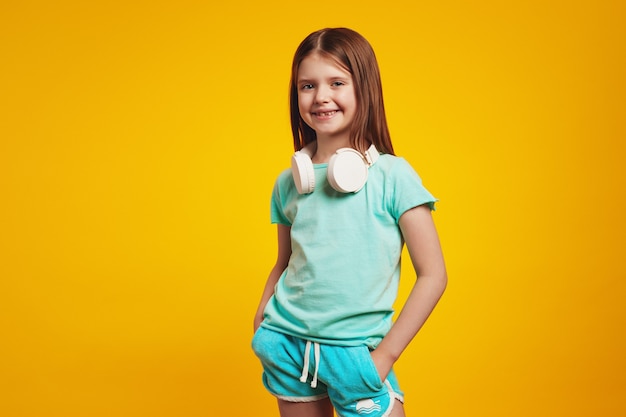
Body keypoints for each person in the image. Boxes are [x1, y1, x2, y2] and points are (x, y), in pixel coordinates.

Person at [252, 27, 447, 417]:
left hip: (356, 353)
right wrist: (261, 323)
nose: (321, 96)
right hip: (285, 343)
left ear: (365, 89)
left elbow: (434, 274)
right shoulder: (288, 183)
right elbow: (285, 261)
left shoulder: (394, 177)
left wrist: (385, 356)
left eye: (336, 82)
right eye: (307, 85)